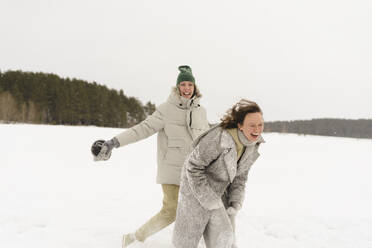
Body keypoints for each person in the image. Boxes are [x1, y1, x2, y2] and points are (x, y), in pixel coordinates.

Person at [92, 65, 210, 247]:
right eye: (183, 84)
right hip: (171, 169)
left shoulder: (201, 112)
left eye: (190, 85)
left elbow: (207, 139)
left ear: (195, 88)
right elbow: (143, 129)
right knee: (171, 210)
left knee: (201, 209)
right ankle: (135, 238)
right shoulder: (166, 109)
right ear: (177, 87)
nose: (187, 88)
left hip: (195, 171)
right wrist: (114, 142)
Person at [172, 99, 265, 248]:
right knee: (204, 237)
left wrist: (236, 200)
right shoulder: (219, 138)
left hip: (220, 189)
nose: (257, 129)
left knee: (228, 237)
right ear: (240, 125)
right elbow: (193, 167)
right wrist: (209, 199)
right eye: (252, 125)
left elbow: (240, 177)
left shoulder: (253, 145)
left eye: (260, 125)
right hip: (196, 187)